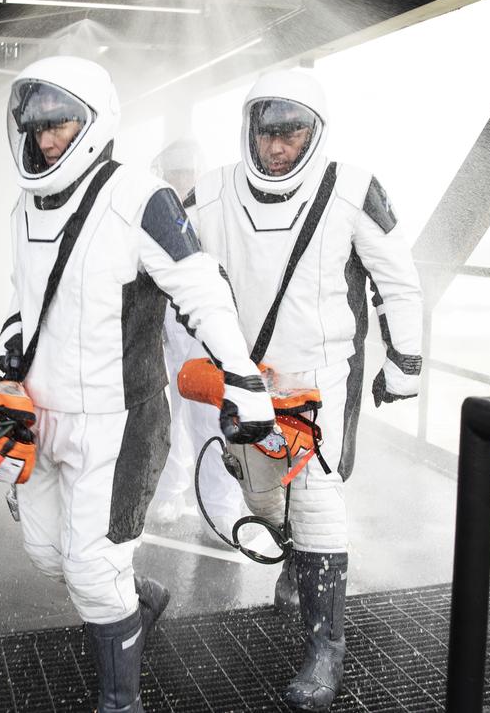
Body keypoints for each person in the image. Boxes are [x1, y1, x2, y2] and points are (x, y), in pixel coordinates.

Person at [0, 56, 276, 713]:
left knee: (90, 568)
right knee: (48, 553)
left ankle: (122, 701)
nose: (45, 139)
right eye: (35, 126)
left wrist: (244, 378)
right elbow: (21, 291)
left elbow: (201, 288)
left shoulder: (140, 198)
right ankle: (138, 601)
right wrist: (9, 337)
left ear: (92, 123)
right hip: (39, 411)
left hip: (117, 421)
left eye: (58, 123)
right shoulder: (23, 202)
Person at [184, 69, 423, 711]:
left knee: (317, 498)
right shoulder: (210, 195)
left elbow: (397, 280)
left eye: (292, 134)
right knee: (259, 491)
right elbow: (167, 267)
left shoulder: (353, 190)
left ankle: (325, 650)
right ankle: (293, 559)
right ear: (250, 131)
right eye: (267, 133)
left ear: (315, 133)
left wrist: (405, 364)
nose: (278, 149)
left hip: (322, 375)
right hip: (245, 378)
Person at [147, 139, 247, 534]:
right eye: (175, 171)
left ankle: (220, 508)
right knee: (167, 417)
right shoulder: (152, 213)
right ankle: (170, 491)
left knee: (211, 419)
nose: (181, 177)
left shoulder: (216, 212)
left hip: (205, 333)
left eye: (187, 170)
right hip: (167, 329)